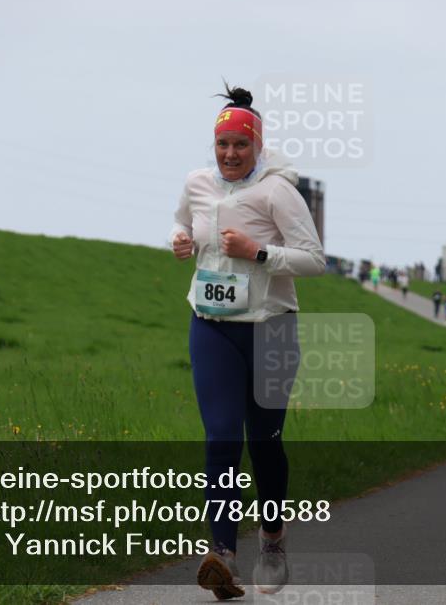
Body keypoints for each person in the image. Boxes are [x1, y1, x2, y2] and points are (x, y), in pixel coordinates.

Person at [171, 83, 326, 599]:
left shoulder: (279, 192)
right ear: (212, 147)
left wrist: (260, 253)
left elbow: (314, 260)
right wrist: (181, 241)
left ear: (257, 146)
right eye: (222, 145)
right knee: (220, 436)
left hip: (271, 327)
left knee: (264, 444)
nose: (231, 154)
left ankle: (273, 541)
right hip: (211, 324)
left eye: (241, 145)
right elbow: (181, 225)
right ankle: (223, 556)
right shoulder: (196, 184)